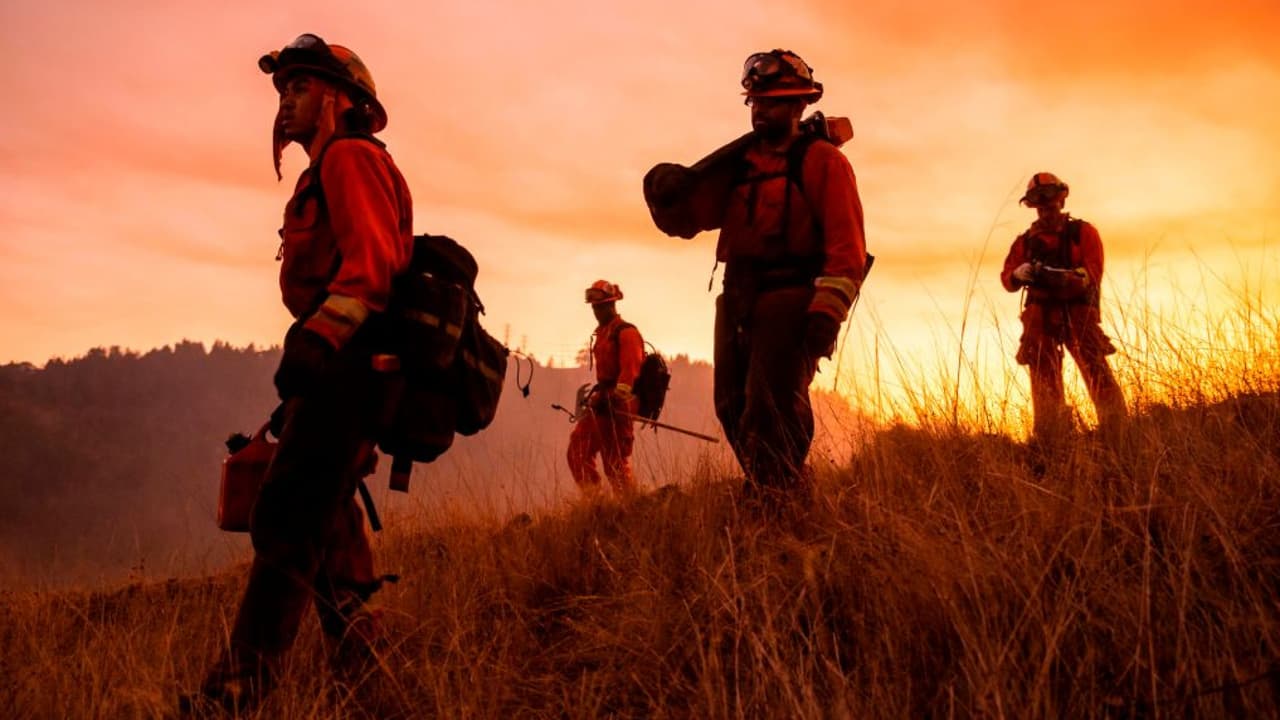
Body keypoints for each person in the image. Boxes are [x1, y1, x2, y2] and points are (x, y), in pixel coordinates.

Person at [186, 33, 414, 712]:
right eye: (283, 90)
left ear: (339, 98)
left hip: (351, 365)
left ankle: (239, 689)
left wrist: (319, 338)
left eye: (299, 88)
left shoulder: (350, 157)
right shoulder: (327, 169)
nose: (285, 103)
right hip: (336, 369)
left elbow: (371, 269)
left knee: (286, 513)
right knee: (331, 517)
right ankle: (367, 676)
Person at [712, 50, 868, 497]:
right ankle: (770, 487)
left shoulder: (822, 162)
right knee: (731, 404)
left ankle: (779, 499)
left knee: (773, 406)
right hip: (738, 295)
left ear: (800, 105)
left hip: (789, 298)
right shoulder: (741, 165)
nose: (761, 112)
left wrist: (825, 315)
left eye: (773, 103)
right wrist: (672, 188)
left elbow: (847, 248)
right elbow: (688, 217)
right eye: (755, 103)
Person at [1001, 172, 1127, 442]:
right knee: (1044, 378)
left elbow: (1093, 271)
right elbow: (1007, 279)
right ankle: (1051, 438)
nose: (1046, 207)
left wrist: (1065, 277)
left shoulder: (1082, 233)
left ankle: (1117, 431)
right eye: (1040, 203)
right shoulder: (1024, 242)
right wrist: (1019, 274)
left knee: (1096, 370)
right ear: (1033, 206)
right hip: (1040, 318)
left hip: (1078, 313)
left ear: (1061, 199)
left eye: (1051, 201)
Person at [567, 280, 645, 498]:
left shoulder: (626, 333)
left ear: (612, 305)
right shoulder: (602, 333)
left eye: (600, 307)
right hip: (602, 402)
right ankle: (595, 502)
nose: (596, 311)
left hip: (620, 404)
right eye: (593, 307)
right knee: (577, 451)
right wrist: (600, 398)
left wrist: (615, 398)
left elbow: (630, 371)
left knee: (615, 463)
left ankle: (630, 507)